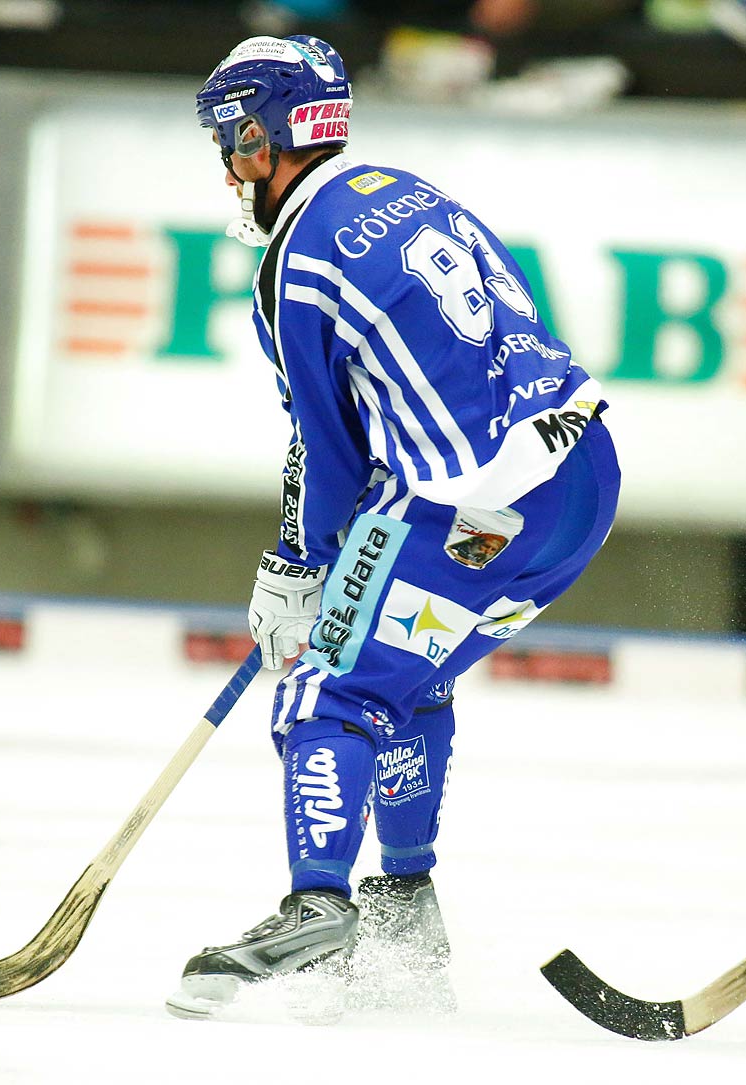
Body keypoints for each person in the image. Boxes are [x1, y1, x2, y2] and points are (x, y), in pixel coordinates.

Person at [168, 34, 620, 1019]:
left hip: (468, 503)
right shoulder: (404, 188)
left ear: (263, 136)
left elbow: (327, 454)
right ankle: (405, 905)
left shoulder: (294, 265)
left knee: (327, 692)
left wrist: (300, 569)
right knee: (403, 677)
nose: (227, 165)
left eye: (230, 141)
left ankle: (317, 904)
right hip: (583, 477)